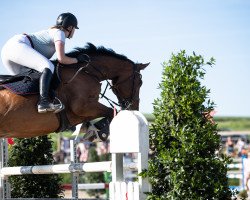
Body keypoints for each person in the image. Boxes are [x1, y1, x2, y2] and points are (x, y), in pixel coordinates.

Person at [1, 12, 86, 113]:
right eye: (74, 29)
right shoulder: (60, 33)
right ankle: (43, 102)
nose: (74, 31)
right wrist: (78, 60)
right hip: (17, 46)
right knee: (48, 66)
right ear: (70, 27)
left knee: (24, 79)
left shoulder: (54, 32)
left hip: (9, 50)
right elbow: (61, 59)